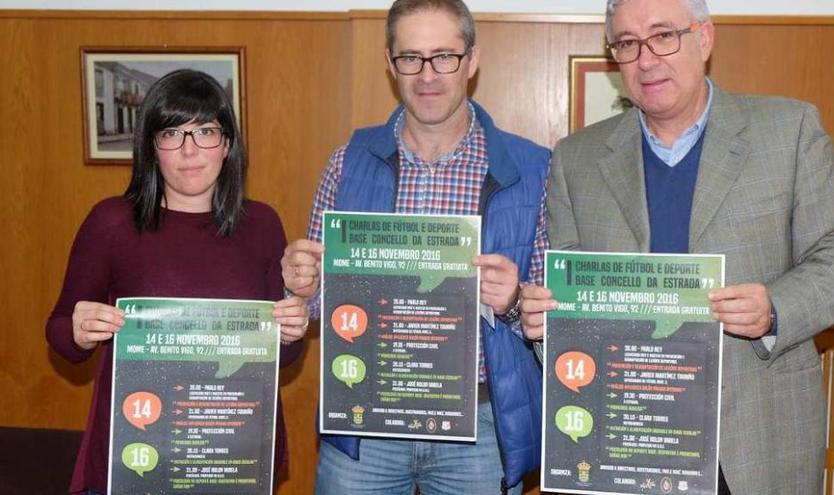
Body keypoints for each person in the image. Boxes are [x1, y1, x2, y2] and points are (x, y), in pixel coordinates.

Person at [521, 0, 834, 493]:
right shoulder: (575, 159)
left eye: (663, 36)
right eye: (627, 43)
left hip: (754, 439)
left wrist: (774, 308)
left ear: (704, 39)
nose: (645, 59)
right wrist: (547, 322)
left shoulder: (788, 131)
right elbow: (574, 300)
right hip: (627, 436)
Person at [280, 1, 550, 493]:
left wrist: (514, 301)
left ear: (472, 61)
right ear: (390, 63)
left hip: (481, 426)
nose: (427, 74)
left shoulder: (534, 170)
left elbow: (554, 316)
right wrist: (303, 284)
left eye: (444, 56)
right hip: (365, 421)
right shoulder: (347, 163)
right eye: (411, 58)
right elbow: (317, 299)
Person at [46, 69, 308, 495]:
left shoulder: (262, 224)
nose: (190, 150)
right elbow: (60, 334)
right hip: (136, 453)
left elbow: (283, 353)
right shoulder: (112, 221)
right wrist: (78, 331)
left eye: (205, 131)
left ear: (226, 144)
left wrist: (293, 331)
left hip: (230, 454)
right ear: (152, 146)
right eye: (172, 133)